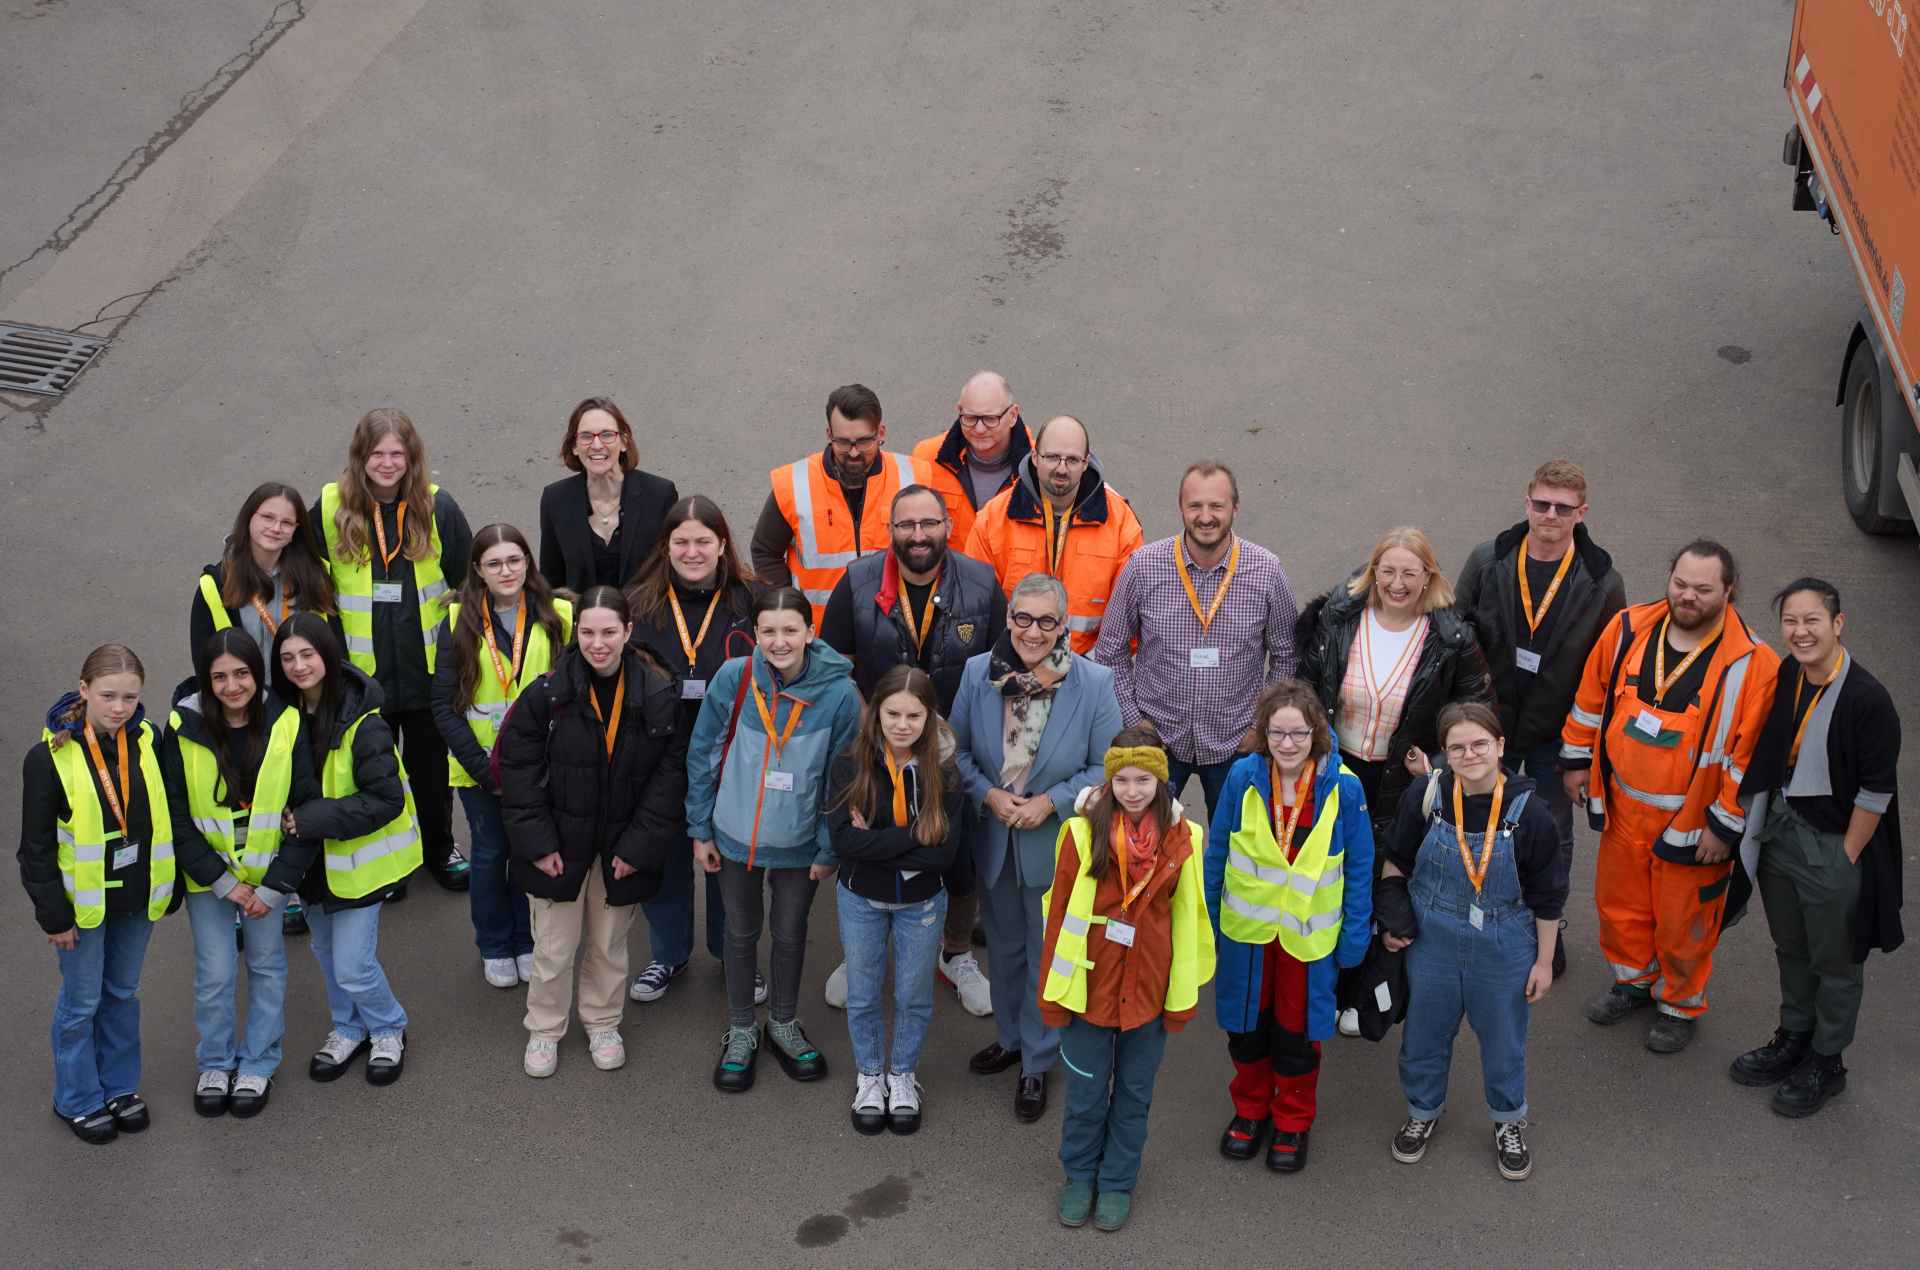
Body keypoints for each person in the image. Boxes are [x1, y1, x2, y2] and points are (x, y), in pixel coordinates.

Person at [1561, 540, 1779, 1054]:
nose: (1688, 596)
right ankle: (1633, 982)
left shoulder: (1754, 664)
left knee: (1686, 923)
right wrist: (1574, 761)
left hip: (1692, 824)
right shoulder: (1629, 630)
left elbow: (1748, 761)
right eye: (1680, 583)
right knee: (1621, 907)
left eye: (1703, 589)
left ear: (1729, 590)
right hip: (1623, 809)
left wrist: (1725, 827)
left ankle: (1679, 1004)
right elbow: (1591, 698)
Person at [819, 482, 1004, 1017]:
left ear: (948, 525)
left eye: (929, 524)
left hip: (957, 750)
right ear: (891, 530)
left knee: (959, 854)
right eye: (907, 525)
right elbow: (835, 664)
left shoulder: (982, 583)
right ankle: (862, 953)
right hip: (883, 745)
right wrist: (870, 728)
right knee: (873, 835)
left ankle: (956, 954)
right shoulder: (856, 581)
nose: (918, 536)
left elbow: (998, 667)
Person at [950, 573, 1123, 1123]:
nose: (1033, 631)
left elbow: (1105, 767)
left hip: (1055, 842)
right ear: (1008, 618)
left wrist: (1050, 802)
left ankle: (1037, 1060)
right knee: (1002, 948)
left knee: (1049, 955)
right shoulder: (979, 673)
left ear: (1063, 625)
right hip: (996, 837)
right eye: (1023, 618)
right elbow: (953, 751)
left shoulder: (1094, 683)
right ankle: (1010, 1037)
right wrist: (989, 796)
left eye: (1047, 621)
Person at [1727, 578, 1903, 1116]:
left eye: (1812, 621)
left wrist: (1845, 855)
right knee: (1791, 946)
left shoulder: (1868, 699)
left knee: (1836, 961)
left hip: (1831, 847)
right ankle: (1794, 1037)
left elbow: (1875, 794)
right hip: (1781, 834)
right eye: (1791, 622)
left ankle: (1828, 1060)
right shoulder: (1788, 674)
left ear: (1838, 624)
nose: (1800, 633)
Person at [496, 586, 686, 1078]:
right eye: (587, 632)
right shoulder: (546, 694)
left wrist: (638, 849)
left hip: (621, 849)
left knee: (608, 945)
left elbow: (668, 782)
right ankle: (544, 1028)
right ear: (574, 632)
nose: (597, 643)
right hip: (558, 846)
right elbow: (517, 773)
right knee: (553, 948)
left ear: (628, 632)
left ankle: (602, 1021)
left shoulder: (658, 695)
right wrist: (538, 845)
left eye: (608, 632)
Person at [1379, 702, 1567, 1181]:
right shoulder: (1426, 794)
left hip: (1504, 942)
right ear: (1444, 753)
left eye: (1480, 743)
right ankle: (1423, 1110)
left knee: (1504, 1041)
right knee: (1423, 1034)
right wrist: (1393, 918)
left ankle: (1508, 1121)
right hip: (1432, 936)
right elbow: (1396, 860)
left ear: (1501, 746)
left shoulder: (1533, 813)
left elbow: (1548, 899)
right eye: (1457, 747)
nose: (1470, 754)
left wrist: (1544, 962)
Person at [1038, 725, 1215, 1232]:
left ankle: (1116, 1182)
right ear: (1109, 781)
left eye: (1143, 780)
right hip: (1087, 989)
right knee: (1087, 1094)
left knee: (1134, 1096)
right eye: (1122, 781)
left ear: (1161, 782)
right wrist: (1051, 993)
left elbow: (1188, 918)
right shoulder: (1077, 833)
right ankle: (1078, 1176)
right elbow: (1057, 918)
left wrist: (1181, 998)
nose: (1132, 791)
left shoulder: (1187, 839)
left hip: (1149, 991)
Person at [686, 586, 862, 1093]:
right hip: (734, 835)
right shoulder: (734, 677)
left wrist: (830, 846)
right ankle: (741, 1028)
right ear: (755, 634)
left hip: (800, 844)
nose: (779, 641)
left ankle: (782, 1022)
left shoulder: (840, 695)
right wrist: (700, 828)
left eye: (791, 630)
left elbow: (843, 778)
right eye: (769, 631)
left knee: (789, 933)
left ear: (811, 633)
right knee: (739, 935)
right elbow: (703, 753)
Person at [1204, 680, 1373, 1174]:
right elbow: (1219, 851)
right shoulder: (1241, 777)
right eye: (1277, 733)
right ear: (1263, 734)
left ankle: (1293, 1119)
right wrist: (1212, 919)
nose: (1287, 744)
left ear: (1316, 733)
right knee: (1246, 1028)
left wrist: (1355, 936)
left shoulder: (1345, 787)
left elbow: (1360, 866)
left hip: (1306, 938)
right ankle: (1251, 1110)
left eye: (1298, 733)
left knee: (1297, 1036)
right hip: (1248, 936)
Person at [20, 645, 178, 1144]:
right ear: (83, 690)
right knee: (82, 1001)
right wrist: (53, 916)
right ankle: (77, 1097)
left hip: (136, 897)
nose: (119, 708)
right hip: (81, 908)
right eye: (108, 695)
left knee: (122, 994)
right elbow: (36, 848)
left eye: (130, 697)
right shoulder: (49, 759)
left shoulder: (150, 741)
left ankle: (118, 1087)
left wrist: (168, 886)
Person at [313, 408, 473, 892]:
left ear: (412, 457)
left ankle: (439, 847)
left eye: (397, 454)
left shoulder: (437, 506)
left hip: (426, 670)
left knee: (431, 771)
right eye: (377, 454)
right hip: (361, 678)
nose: (387, 464)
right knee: (377, 773)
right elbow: (312, 586)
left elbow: (468, 581)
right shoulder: (327, 507)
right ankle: (392, 861)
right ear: (360, 456)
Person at [164, 629, 320, 1119]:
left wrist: (274, 886)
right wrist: (223, 881)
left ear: (257, 674)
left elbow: (305, 808)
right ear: (205, 681)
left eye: (242, 674)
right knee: (214, 973)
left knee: (267, 966)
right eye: (219, 677)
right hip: (209, 879)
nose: (232, 686)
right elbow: (175, 814)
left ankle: (258, 1061)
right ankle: (215, 1061)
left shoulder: (287, 722)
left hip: (266, 880)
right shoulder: (182, 727)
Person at [1094, 460, 1299, 818]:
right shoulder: (1143, 567)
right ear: (1181, 508)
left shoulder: (1267, 572)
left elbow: (1286, 657)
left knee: (1235, 849)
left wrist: (1259, 727)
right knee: (1144, 846)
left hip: (1235, 743)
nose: (1206, 517)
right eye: (1195, 506)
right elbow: (1109, 652)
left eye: (1216, 506)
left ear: (1234, 508)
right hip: (1157, 739)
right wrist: (1134, 720)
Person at [272, 614, 421, 1087]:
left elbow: (387, 799)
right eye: (288, 658)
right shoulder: (281, 718)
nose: (299, 666)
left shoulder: (366, 723)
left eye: (308, 654)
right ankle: (348, 1027)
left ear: (329, 655)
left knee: (355, 966)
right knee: (326, 954)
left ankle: (389, 1026)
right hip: (309, 865)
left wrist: (311, 820)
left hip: (357, 866)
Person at [1455, 459, 1626, 871]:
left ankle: (1546, 919)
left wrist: (1584, 753)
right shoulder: (1487, 561)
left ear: (1580, 513)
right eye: (1542, 504)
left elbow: (1610, 671)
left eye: (1563, 508)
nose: (1551, 515)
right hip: (1490, 721)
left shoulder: (1603, 582)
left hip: (1558, 731)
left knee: (1551, 831)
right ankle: (1477, 904)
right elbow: (1453, 634)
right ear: (1527, 502)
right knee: (1477, 818)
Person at [624, 496, 762, 1006]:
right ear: (666, 547)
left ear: (722, 544)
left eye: (703, 540)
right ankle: (667, 953)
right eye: (681, 541)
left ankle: (734, 955)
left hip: (734, 753)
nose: (692, 551)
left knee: (728, 858)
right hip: (659, 754)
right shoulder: (638, 604)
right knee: (665, 859)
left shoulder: (753, 600)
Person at [188, 480, 340, 935]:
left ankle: (291, 886)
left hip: (303, 708)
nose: (276, 528)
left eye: (287, 522)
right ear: (248, 520)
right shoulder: (216, 584)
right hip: (248, 714)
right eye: (267, 518)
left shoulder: (313, 575)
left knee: (295, 799)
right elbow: (204, 660)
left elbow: (333, 646)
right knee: (249, 805)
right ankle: (244, 894)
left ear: (297, 531)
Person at [430, 524, 573, 989]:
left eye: (514, 560)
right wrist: (481, 768)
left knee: (527, 851)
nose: (506, 570)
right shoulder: (456, 622)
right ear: (477, 571)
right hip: (479, 770)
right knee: (490, 854)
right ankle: (494, 943)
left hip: (540, 766)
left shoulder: (559, 615)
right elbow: (443, 704)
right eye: (493, 563)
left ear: (528, 562)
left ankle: (526, 939)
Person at [826, 666, 964, 1135]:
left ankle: (902, 1074)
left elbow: (944, 853)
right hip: (861, 897)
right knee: (863, 994)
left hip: (921, 903)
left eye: (913, 715)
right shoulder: (850, 763)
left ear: (929, 718)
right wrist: (914, 838)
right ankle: (870, 1075)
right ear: (876, 713)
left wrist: (880, 839)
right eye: (892, 714)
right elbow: (845, 843)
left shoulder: (943, 771)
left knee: (911, 995)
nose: (902, 724)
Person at [750, 383, 968, 626]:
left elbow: (940, 548)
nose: (853, 453)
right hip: (819, 636)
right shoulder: (792, 484)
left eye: (864, 441)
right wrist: (787, 609)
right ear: (829, 434)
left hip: (895, 628)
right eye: (843, 442)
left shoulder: (916, 476)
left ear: (881, 433)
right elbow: (764, 551)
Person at [964, 414, 1144, 655]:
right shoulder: (993, 519)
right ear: (1035, 457)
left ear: (1085, 462)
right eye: (1052, 458)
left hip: (1088, 672)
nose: (1061, 469)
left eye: (1072, 460)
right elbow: (975, 608)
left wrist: (1088, 673)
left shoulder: (1121, 523)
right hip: (1012, 669)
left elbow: (1129, 618)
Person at [537, 396, 680, 592]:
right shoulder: (556, 499)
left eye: (606, 435)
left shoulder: (659, 495)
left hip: (648, 620)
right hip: (583, 621)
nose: (596, 445)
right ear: (574, 447)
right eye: (586, 436)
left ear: (623, 442)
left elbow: (673, 569)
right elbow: (551, 581)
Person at [911, 369, 1035, 547]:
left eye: (990, 419)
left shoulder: (1040, 465)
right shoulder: (926, 458)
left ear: (1013, 415)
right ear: (959, 411)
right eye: (970, 418)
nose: (979, 429)